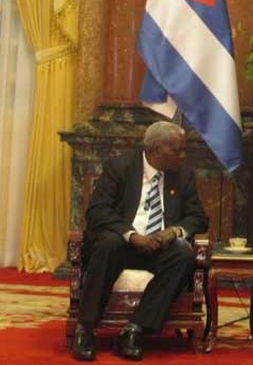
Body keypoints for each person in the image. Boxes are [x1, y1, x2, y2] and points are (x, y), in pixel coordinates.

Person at [71, 121, 208, 362]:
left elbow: (198, 217)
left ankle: (134, 329)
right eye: (177, 150)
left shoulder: (183, 175)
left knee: (184, 255)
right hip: (122, 243)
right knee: (108, 244)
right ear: (156, 149)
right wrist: (132, 236)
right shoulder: (120, 167)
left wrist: (173, 232)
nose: (182, 156)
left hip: (159, 247)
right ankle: (86, 328)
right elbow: (97, 211)